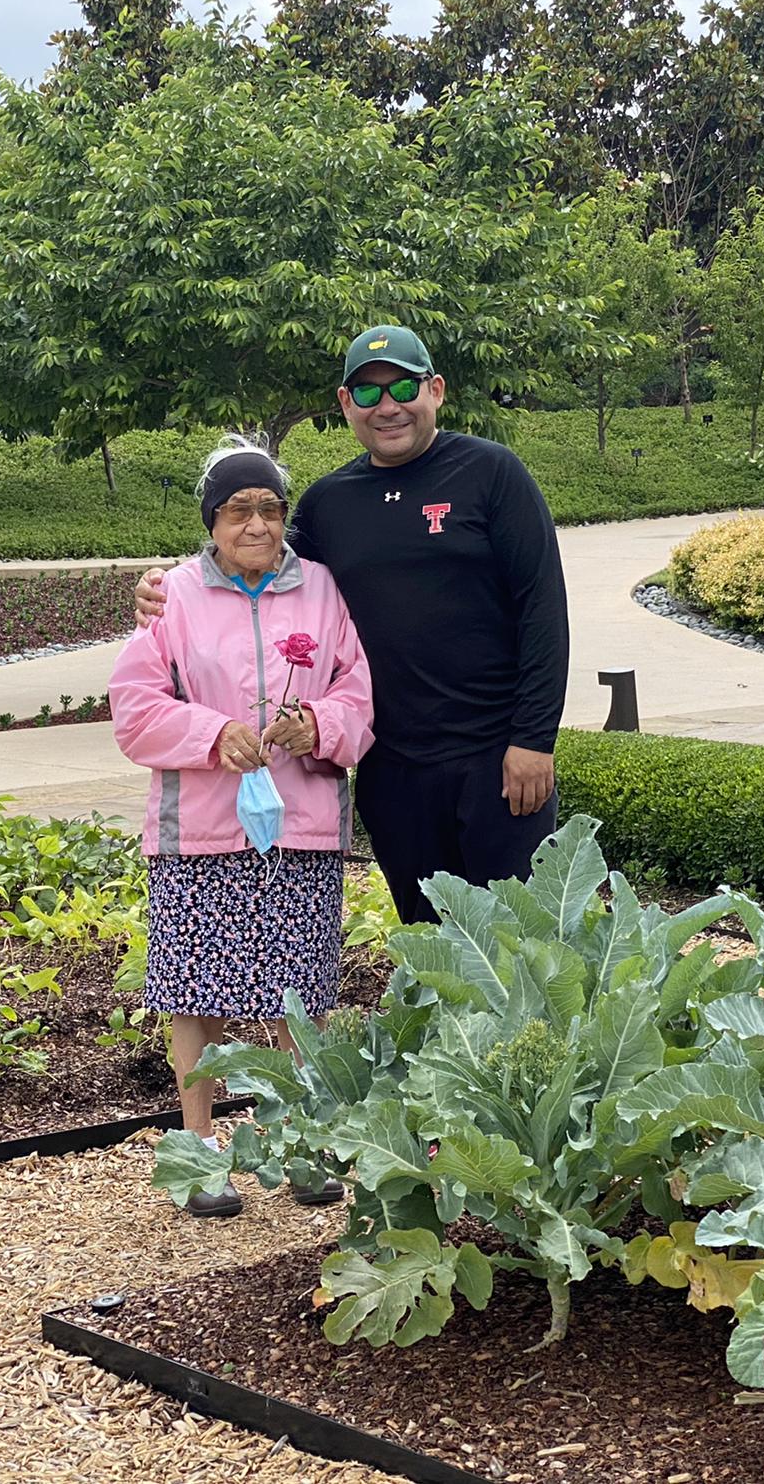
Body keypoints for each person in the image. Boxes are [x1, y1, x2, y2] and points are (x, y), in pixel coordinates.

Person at [135, 325, 568, 926]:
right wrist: (164, 586)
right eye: (367, 394)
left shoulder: (492, 474)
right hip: (393, 770)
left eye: (403, 388)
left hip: (496, 759)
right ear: (346, 404)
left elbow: (543, 611)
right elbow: (254, 563)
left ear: (435, 390)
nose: (387, 407)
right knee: (434, 945)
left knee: (524, 945)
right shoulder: (329, 502)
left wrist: (533, 741)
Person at [109, 437, 374, 1218]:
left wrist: (318, 723)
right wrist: (209, 734)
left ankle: (302, 1145)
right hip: (200, 826)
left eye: (269, 508)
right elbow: (135, 708)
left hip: (301, 823)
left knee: (302, 992)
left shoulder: (322, 590)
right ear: (211, 522)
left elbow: (359, 693)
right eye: (236, 510)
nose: (255, 524)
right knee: (194, 992)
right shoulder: (175, 597)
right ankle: (199, 1155)